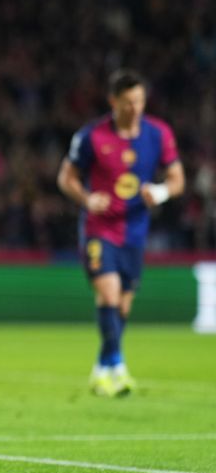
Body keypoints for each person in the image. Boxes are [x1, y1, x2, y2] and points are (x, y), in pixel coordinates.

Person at [57, 69, 184, 398]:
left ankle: (102, 369)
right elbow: (66, 177)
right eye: (128, 102)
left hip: (135, 232)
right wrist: (87, 198)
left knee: (123, 307)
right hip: (100, 229)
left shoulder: (158, 134)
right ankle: (119, 368)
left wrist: (161, 193)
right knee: (109, 295)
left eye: (140, 101)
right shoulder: (92, 136)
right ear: (113, 101)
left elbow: (177, 179)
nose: (135, 108)